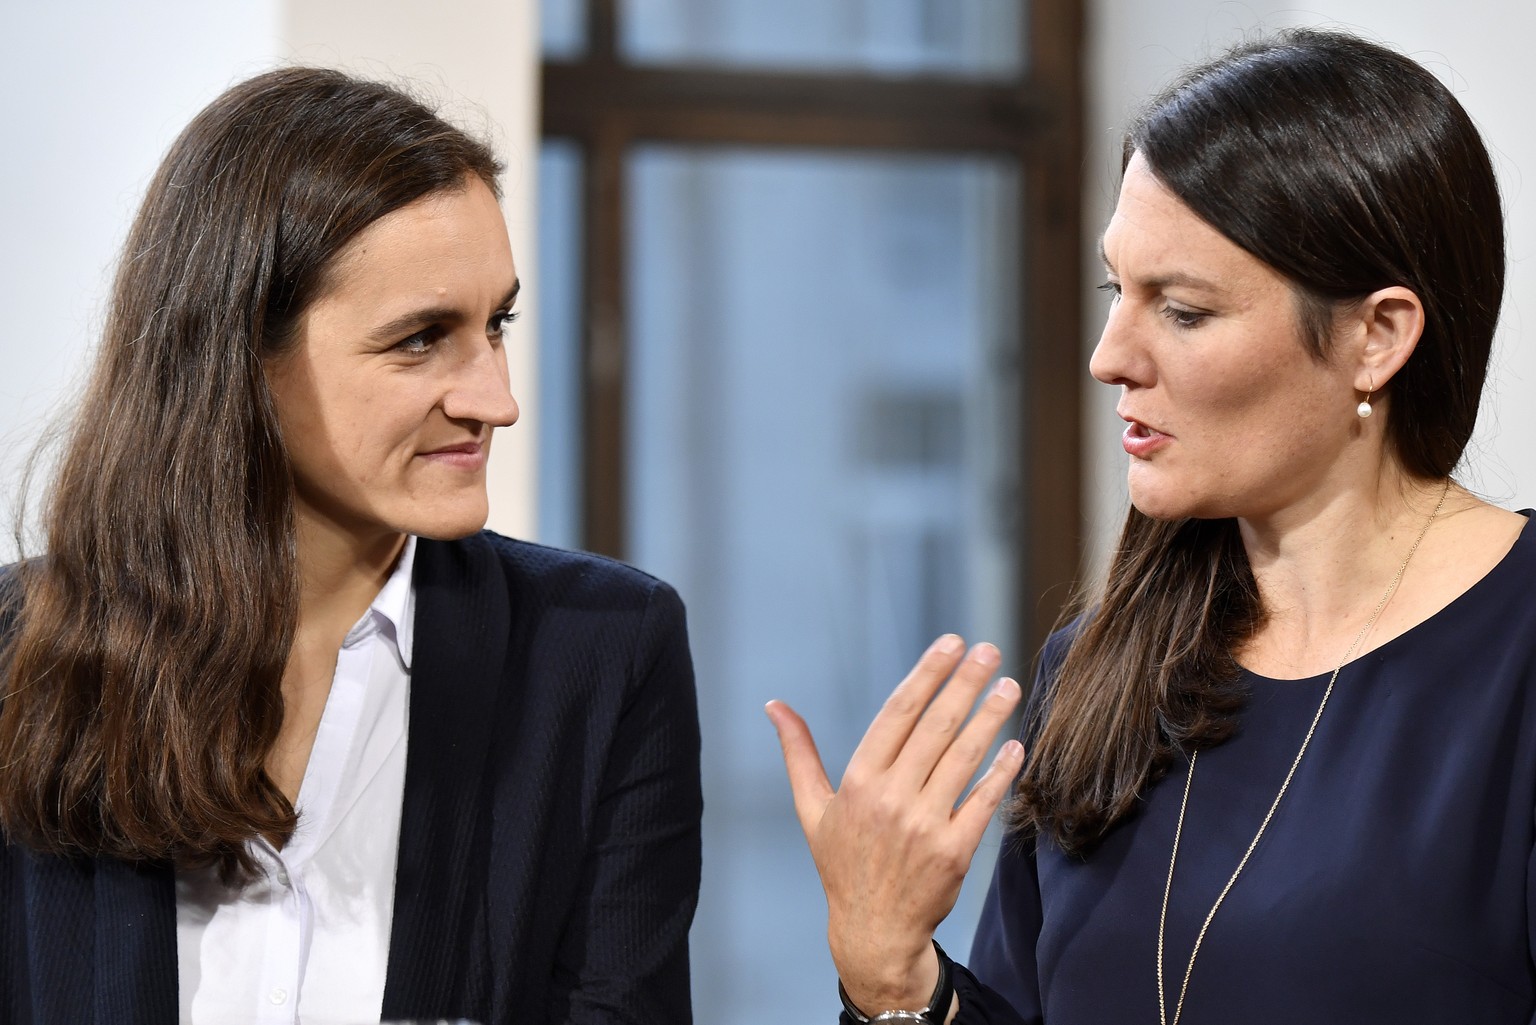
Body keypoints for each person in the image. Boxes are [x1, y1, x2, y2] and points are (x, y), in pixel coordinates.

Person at [767, 28, 1536, 1024]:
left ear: (1376, 336)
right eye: (1114, 291)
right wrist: (892, 981)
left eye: (1180, 308)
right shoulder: (1099, 668)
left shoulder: (1515, 657)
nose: (1108, 355)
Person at [0, 68, 701, 1025]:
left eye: (496, 324)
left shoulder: (601, 649)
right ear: (239, 356)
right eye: (421, 339)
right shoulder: (14, 653)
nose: (495, 398)